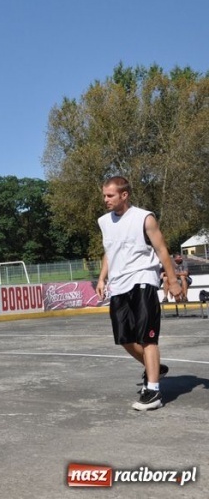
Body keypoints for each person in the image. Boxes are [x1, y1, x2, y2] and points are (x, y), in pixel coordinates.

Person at [96, 176, 179, 411]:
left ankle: (153, 391)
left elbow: (162, 249)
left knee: (147, 336)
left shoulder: (144, 217)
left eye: (110, 195)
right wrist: (102, 278)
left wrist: (172, 280)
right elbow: (109, 251)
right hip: (118, 284)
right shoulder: (104, 221)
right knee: (124, 338)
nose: (106, 200)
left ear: (124, 195)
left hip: (143, 279)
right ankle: (155, 368)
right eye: (104, 195)